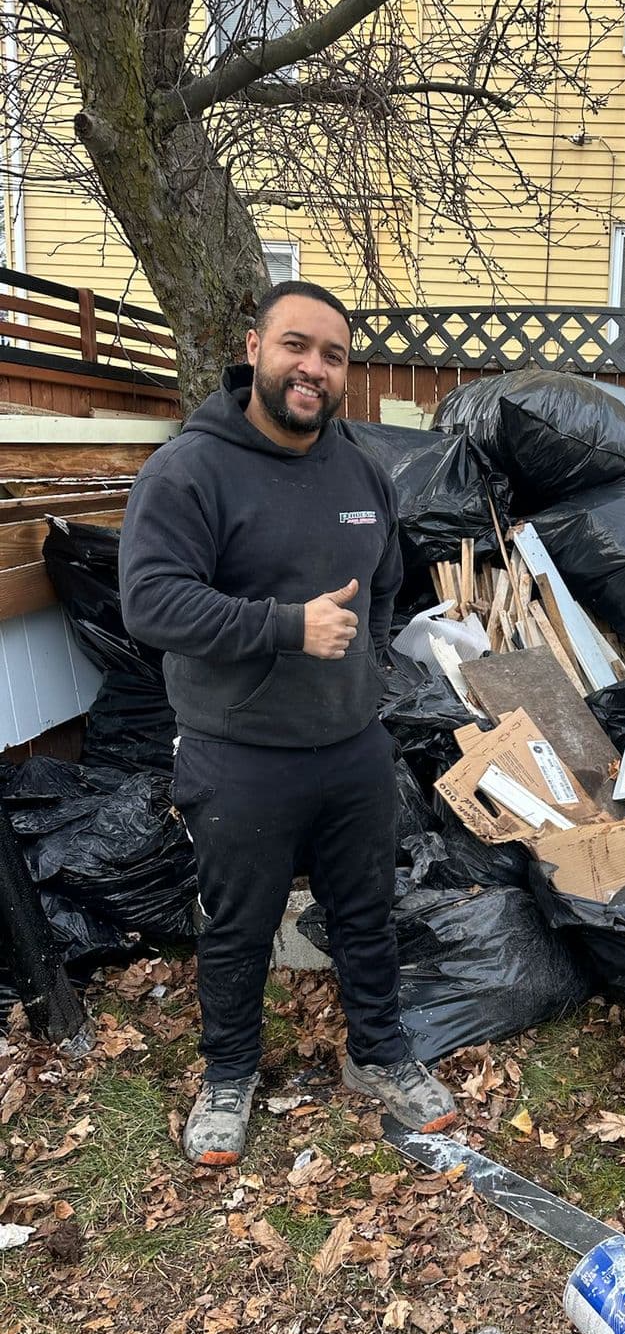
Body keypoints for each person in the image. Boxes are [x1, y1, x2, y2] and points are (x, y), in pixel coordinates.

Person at [119, 279, 455, 1165]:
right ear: (256, 348)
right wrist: (284, 628)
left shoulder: (357, 468)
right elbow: (150, 602)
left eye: (334, 356)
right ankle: (229, 1074)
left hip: (350, 746)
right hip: (239, 750)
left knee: (366, 909)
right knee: (238, 923)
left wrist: (367, 668)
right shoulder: (191, 469)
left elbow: (385, 578)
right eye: (297, 346)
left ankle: (378, 1054)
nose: (314, 368)